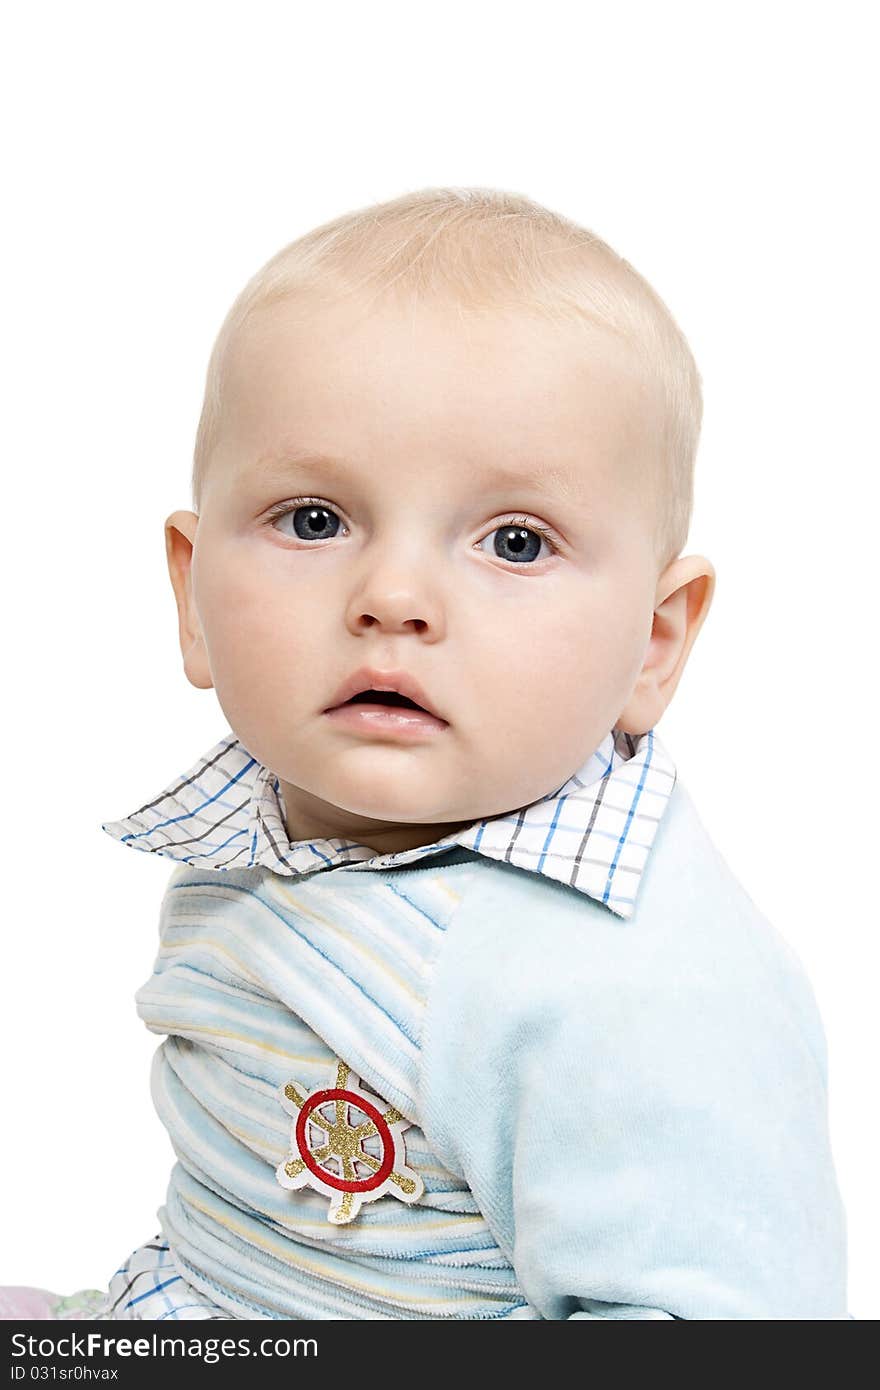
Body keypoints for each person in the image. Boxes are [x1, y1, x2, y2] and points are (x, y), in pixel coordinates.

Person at [1, 187, 850, 1320]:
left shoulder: (631, 984)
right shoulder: (255, 829)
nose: (392, 597)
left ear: (652, 644)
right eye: (314, 520)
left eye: (513, 541)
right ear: (191, 599)